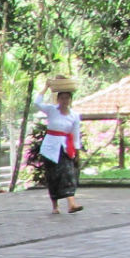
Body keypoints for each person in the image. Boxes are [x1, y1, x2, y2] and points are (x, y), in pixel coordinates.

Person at [34, 85, 83, 214]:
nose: (64, 101)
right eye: (62, 98)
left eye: (67, 98)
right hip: (50, 147)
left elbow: (76, 135)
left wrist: (77, 152)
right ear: (58, 99)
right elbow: (37, 102)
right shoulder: (51, 110)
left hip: (65, 147)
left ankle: (71, 203)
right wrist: (46, 87)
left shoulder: (74, 116)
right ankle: (55, 206)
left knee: (67, 173)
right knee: (52, 175)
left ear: (70, 100)